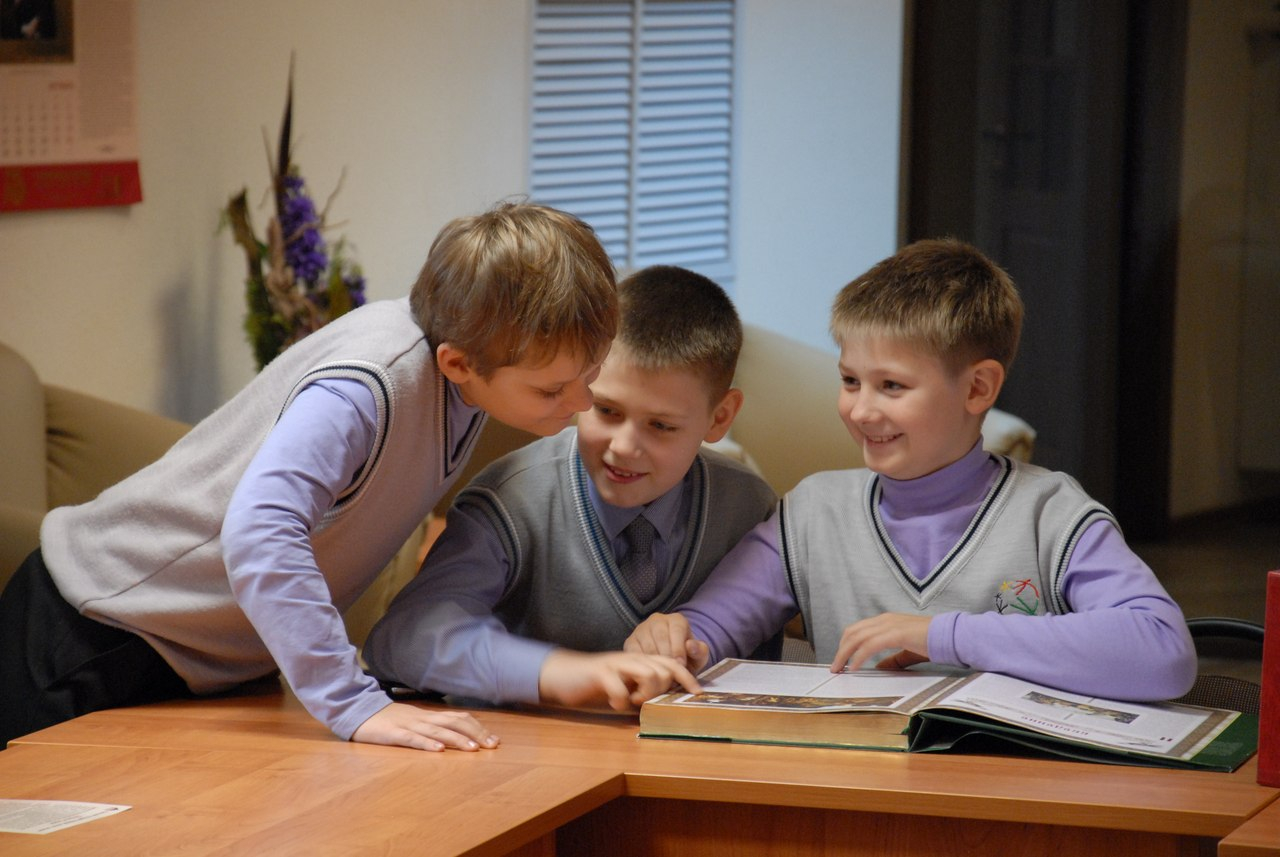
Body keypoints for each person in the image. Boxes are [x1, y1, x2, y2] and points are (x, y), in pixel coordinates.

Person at [0, 201, 639, 751]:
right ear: (458, 364)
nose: (581, 402)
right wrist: (353, 702)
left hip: (202, 657)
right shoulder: (366, 386)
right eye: (553, 389)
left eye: (589, 376)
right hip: (94, 630)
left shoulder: (469, 368)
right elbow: (259, 531)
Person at [625, 238, 1197, 702]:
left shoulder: (1050, 514)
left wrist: (942, 635)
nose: (861, 410)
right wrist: (676, 640)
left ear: (978, 388)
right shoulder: (811, 513)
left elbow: (1163, 651)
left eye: (892, 386)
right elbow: (712, 628)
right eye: (850, 381)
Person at [363, 265, 777, 710]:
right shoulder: (510, 499)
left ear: (720, 417)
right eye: (607, 410)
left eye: (661, 426)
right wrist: (561, 673)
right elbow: (403, 639)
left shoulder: (748, 507)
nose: (624, 447)